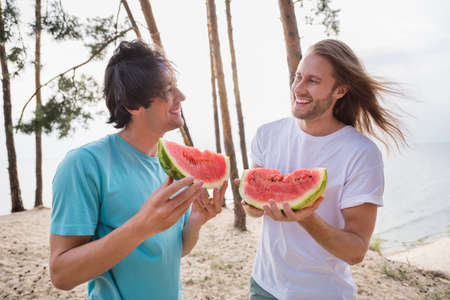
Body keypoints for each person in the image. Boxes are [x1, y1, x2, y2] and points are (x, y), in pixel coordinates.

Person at [49, 40, 227, 300]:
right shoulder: (85, 164)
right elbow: (61, 275)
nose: (181, 96)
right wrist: (142, 226)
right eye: (168, 90)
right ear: (133, 104)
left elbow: (170, 251)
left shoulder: (170, 166)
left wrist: (196, 223)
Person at [241, 39, 406, 299]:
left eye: (313, 81)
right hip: (265, 286)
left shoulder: (361, 154)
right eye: (298, 77)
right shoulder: (267, 135)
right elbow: (254, 207)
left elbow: (356, 251)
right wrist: (252, 205)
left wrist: (306, 218)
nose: (299, 88)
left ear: (340, 90)